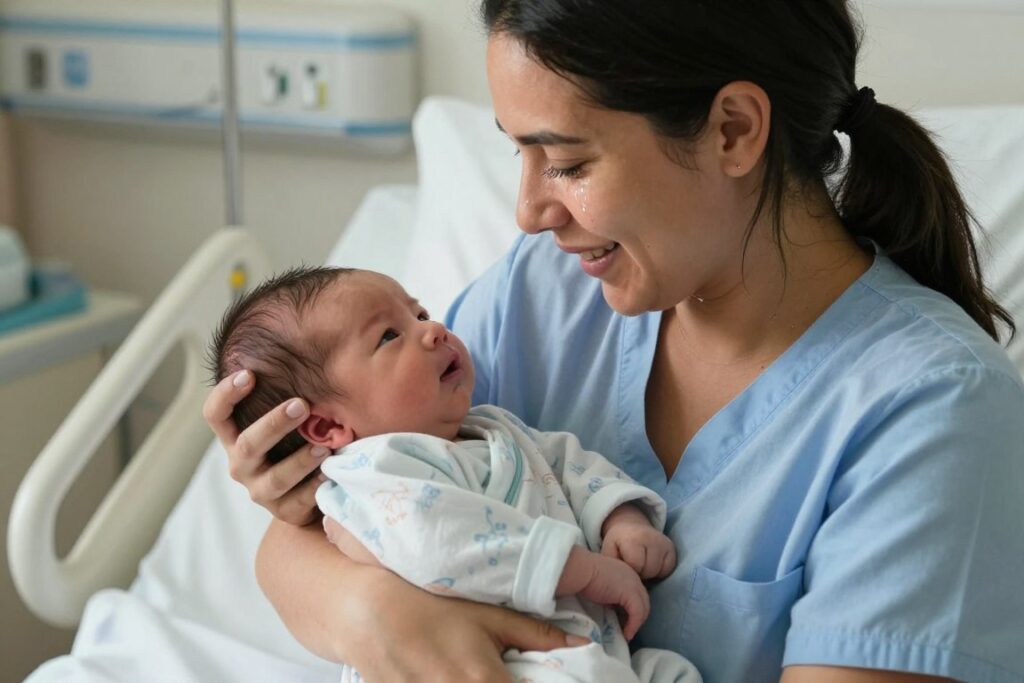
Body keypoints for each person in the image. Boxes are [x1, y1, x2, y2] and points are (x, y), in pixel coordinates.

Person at [203, 1, 1024, 681]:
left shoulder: (934, 411)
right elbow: (313, 532)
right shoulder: (546, 294)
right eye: (518, 153)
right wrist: (369, 607)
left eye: (565, 161)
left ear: (734, 130)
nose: (529, 210)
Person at [209, 265, 702, 682]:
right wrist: (585, 571)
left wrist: (620, 518)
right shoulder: (374, 472)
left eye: (420, 314)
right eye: (389, 336)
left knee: (669, 671)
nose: (434, 330)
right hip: (488, 661)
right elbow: (440, 541)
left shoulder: (492, 428)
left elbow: (567, 465)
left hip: (581, 648)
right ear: (327, 427)